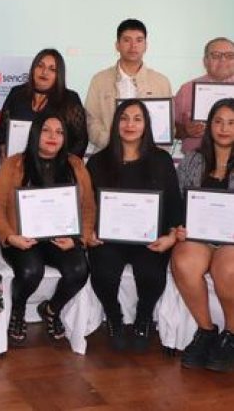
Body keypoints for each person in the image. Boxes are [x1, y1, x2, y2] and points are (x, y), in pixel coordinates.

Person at [0, 111, 93, 344]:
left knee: (79, 270)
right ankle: (18, 309)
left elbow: (88, 208)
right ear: (35, 133)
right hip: (21, 240)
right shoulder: (14, 164)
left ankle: (51, 310)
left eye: (59, 132)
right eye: (46, 130)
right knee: (30, 271)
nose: (52, 136)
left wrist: (78, 240)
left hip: (61, 239)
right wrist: (9, 237)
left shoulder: (76, 165)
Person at [86, 99, 182, 351]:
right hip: (108, 238)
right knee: (104, 274)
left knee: (151, 274)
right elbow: (86, 205)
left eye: (137, 119)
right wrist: (89, 232)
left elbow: (173, 202)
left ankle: (143, 317)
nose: (130, 124)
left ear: (146, 125)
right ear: (116, 123)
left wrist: (171, 236)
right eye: (124, 118)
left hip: (149, 238)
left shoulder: (161, 160)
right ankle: (114, 318)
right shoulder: (97, 162)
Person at [172, 98, 234, 372]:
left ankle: (231, 335)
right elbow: (177, 202)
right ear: (209, 126)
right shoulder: (192, 160)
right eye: (218, 121)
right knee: (184, 262)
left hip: (232, 240)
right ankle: (206, 330)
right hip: (199, 236)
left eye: (232, 123)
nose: (224, 128)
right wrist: (180, 227)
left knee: (228, 270)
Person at [85, 19, 172, 151]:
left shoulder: (161, 82)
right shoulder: (100, 80)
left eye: (139, 40)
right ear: (117, 45)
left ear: (146, 45)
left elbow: (168, 124)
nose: (133, 46)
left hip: (149, 157)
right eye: (127, 40)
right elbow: (91, 120)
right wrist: (112, 144)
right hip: (108, 154)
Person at [0, 48, 88, 159]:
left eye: (52, 69)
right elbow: (2, 132)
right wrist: (3, 153)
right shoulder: (17, 94)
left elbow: (81, 140)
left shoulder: (70, 99)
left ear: (59, 74)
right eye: (40, 66)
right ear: (33, 69)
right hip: (18, 165)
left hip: (56, 170)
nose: (44, 72)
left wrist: (65, 165)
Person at [174, 38, 234, 153]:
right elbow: (171, 129)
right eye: (216, 56)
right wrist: (186, 130)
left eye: (229, 56)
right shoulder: (186, 89)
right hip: (195, 161)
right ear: (205, 61)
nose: (222, 60)